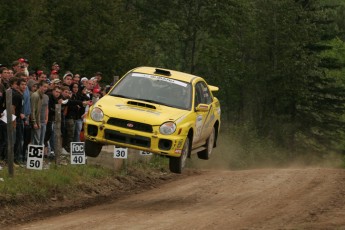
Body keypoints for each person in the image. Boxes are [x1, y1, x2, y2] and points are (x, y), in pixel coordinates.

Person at [30, 81, 49, 145]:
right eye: (44, 86)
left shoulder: (46, 96)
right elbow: (32, 110)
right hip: (37, 121)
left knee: (41, 140)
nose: (45, 88)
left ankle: (41, 154)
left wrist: (46, 118)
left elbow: (46, 108)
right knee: (36, 140)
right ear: (40, 86)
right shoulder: (35, 95)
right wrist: (34, 122)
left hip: (43, 121)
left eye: (47, 87)